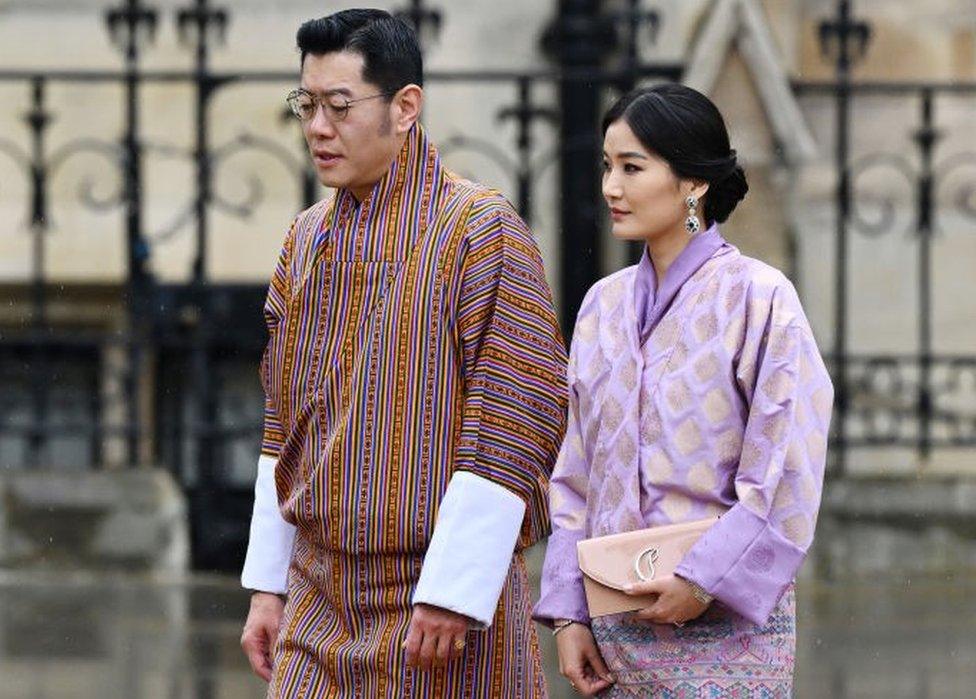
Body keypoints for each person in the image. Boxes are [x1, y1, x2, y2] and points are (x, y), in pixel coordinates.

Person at [238, 10, 567, 697]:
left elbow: (516, 413)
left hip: (436, 609)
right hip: (316, 596)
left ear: (405, 107)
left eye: (339, 106)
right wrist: (268, 585)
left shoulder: (479, 230)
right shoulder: (305, 239)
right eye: (307, 105)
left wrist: (454, 586)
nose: (317, 128)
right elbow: (283, 422)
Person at [534, 84, 834, 697]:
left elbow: (786, 466)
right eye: (607, 167)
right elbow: (576, 474)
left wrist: (704, 581)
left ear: (693, 182)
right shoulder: (602, 306)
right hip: (615, 624)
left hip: (727, 629)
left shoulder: (758, 297)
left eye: (632, 168)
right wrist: (568, 612)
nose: (610, 187)